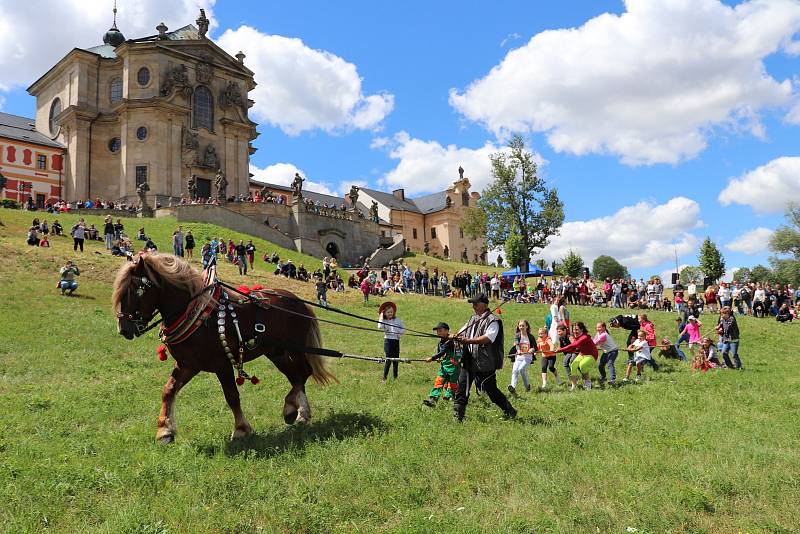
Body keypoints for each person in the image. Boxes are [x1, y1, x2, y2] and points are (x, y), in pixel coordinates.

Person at [452, 293, 516, 421]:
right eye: (473, 304)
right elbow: (462, 332)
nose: (474, 306)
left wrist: (468, 341)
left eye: (476, 304)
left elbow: (488, 338)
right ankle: (458, 417)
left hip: (484, 362)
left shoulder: (493, 320)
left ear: (484, 304)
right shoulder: (472, 319)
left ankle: (510, 410)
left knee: (490, 390)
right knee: (461, 387)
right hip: (468, 359)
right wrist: (454, 336)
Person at [423, 322, 462, 406]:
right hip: (444, 365)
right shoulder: (441, 341)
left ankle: (453, 398)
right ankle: (433, 399)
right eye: (437, 331)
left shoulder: (450, 341)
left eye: (440, 331)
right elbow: (440, 352)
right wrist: (439, 359)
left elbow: (442, 352)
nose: (438, 333)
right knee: (439, 381)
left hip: (454, 366)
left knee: (452, 384)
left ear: (447, 331)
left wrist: (432, 358)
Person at [555, 322, 598, 391]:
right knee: (573, 365)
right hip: (582, 353)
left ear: (581, 329)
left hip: (591, 354)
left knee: (582, 365)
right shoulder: (575, 337)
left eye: (577, 329)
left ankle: (588, 383)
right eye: (574, 330)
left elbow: (573, 345)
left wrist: (560, 350)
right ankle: (574, 385)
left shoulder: (584, 337)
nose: (575, 331)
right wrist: (559, 349)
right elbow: (573, 346)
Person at [378, 302, 405, 383]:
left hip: (396, 341)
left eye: (391, 312)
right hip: (388, 341)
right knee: (388, 359)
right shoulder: (384, 321)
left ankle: (395, 378)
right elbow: (379, 327)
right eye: (388, 312)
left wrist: (399, 334)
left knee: (396, 360)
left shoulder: (397, 320)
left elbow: (403, 328)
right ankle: (384, 378)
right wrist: (381, 317)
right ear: (384, 313)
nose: (390, 313)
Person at [508, 320, 537, 395]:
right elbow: (517, 345)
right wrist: (518, 351)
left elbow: (535, 348)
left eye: (523, 326)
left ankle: (527, 386)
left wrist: (532, 349)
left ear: (527, 326)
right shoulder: (517, 335)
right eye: (520, 326)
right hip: (519, 357)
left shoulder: (530, 336)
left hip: (527, 357)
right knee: (514, 371)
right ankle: (513, 387)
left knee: (521, 369)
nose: (521, 327)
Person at [594, 322, 620, 387]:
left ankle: (612, 380)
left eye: (599, 327)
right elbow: (594, 341)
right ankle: (603, 377)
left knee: (610, 364)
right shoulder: (598, 333)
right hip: (606, 352)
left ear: (604, 328)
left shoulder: (603, 335)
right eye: (597, 327)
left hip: (613, 351)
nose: (598, 329)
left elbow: (595, 343)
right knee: (600, 365)